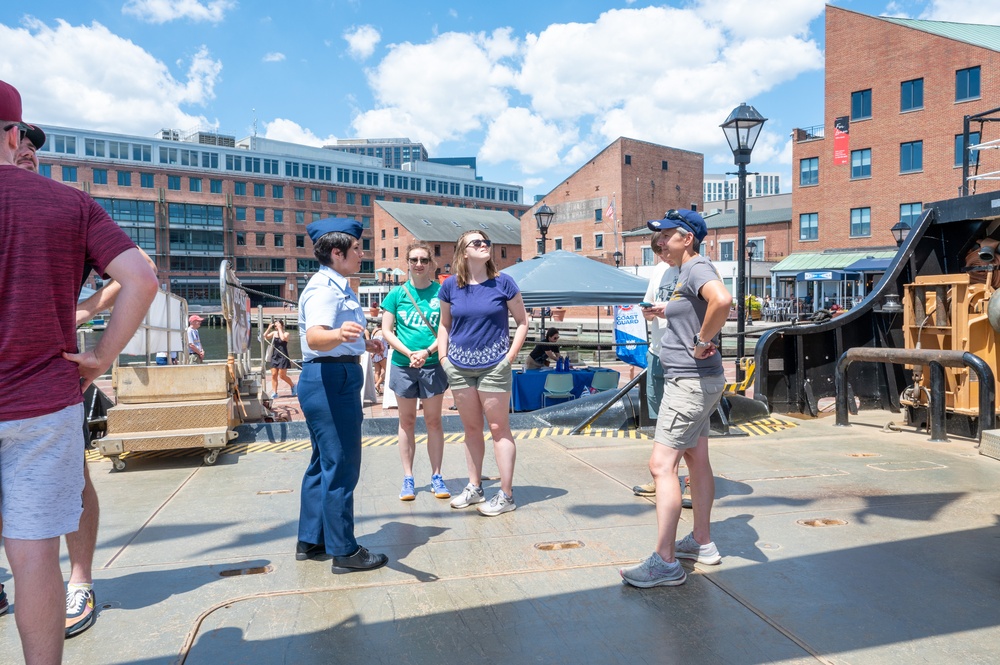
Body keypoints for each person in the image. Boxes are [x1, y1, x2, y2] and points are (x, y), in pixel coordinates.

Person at [0, 79, 158, 663]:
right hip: (43, 400)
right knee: (35, 553)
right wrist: (102, 357)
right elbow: (141, 278)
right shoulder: (68, 204)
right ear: (13, 133)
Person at [619, 209, 729, 588]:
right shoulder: (687, 273)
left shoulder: (697, 268)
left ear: (687, 237)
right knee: (697, 459)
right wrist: (671, 311)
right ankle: (702, 542)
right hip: (701, 381)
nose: (660, 242)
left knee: (661, 466)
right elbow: (702, 306)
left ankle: (664, 561)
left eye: (666, 235)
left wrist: (701, 342)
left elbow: (722, 300)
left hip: (689, 383)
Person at [294, 217, 388, 572]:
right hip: (331, 379)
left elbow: (333, 336)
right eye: (356, 249)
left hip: (333, 374)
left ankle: (312, 539)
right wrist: (339, 335)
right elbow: (317, 338)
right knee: (342, 464)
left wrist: (361, 341)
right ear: (337, 253)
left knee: (323, 463)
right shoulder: (324, 289)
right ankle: (344, 551)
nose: (361, 254)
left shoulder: (338, 286)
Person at [437, 230, 528, 516]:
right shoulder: (450, 286)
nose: (484, 245)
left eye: (486, 242)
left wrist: (509, 358)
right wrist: (443, 358)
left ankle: (507, 494)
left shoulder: (503, 283)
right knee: (472, 429)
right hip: (459, 367)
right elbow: (444, 325)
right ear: (464, 251)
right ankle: (475, 488)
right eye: (476, 242)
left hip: (494, 365)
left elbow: (523, 321)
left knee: (500, 429)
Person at [380, 241, 451, 502]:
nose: (419, 264)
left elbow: (447, 328)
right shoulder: (396, 295)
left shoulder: (441, 292)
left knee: (434, 421)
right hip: (403, 365)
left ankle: (436, 475)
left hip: (432, 364)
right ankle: (408, 477)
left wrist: (427, 352)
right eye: (414, 260)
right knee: (406, 421)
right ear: (407, 263)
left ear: (431, 263)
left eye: (423, 260)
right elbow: (387, 330)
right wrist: (409, 353)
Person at [631, 231, 685, 500]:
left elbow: (717, 306)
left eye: (665, 249)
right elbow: (645, 306)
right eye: (659, 250)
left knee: (686, 423)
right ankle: (664, 477)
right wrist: (649, 310)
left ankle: (691, 482)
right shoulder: (659, 271)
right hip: (657, 351)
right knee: (662, 421)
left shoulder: (695, 269)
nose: (664, 255)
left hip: (683, 356)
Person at [264, 319, 296, 399]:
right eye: (275, 325)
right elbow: (265, 336)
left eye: (278, 325)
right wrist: (268, 328)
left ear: (282, 325)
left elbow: (282, 338)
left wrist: (280, 329)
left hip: (283, 356)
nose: (276, 327)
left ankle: (293, 385)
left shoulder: (286, 334)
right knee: (274, 374)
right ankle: (275, 392)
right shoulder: (274, 333)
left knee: (282, 375)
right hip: (274, 356)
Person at [370, 327, 388, 394]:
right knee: (387, 370)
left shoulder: (374, 331)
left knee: (377, 372)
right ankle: (377, 385)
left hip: (374, 353)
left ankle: (378, 389)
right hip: (382, 353)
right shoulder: (384, 331)